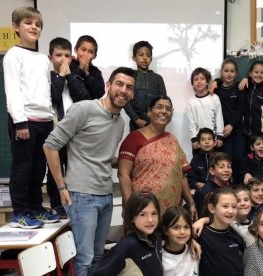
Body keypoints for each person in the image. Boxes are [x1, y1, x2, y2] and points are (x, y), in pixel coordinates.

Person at [44, 67, 136, 276]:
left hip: (106, 195)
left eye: (129, 87)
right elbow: (50, 145)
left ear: (133, 94)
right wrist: (61, 186)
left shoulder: (120, 122)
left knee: (97, 255)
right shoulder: (83, 109)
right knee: (84, 258)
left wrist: (130, 162)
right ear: (108, 86)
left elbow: (102, 157)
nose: (123, 90)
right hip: (81, 195)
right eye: (119, 84)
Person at [4, 7, 59, 229]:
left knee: (39, 169)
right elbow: (13, 91)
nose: (34, 27)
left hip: (44, 120)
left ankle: (36, 209)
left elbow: (45, 91)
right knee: (23, 168)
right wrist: (20, 122)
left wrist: (51, 119)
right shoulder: (13, 55)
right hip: (24, 120)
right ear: (16, 27)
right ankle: (20, 213)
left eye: (37, 24)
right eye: (28, 23)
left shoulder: (42, 59)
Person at [118, 96, 197, 219]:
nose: (164, 111)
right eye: (159, 107)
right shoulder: (134, 138)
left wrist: (191, 203)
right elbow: (123, 175)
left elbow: (182, 176)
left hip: (171, 215)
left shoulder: (173, 140)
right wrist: (130, 208)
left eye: (168, 109)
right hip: (141, 210)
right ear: (149, 111)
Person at [46, 37, 91, 218]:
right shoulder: (48, 78)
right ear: (51, 58)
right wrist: (61, 76)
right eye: (58, 55)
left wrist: (70, 76)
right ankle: (57, 205)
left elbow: (84, 98)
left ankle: (75, 202)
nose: (63, 59)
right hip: (56, 131)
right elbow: (54, 98)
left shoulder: (75, 77)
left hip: (77, 134)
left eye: (66, 55)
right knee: (55, 169)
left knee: (74, 167)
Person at [91, 192, 162, 276]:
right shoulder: (126, 246)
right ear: (132, 218)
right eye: (142, 214)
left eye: (154, 213)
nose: (150, 220)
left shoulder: (156, 238)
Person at [197, 187, 244, 276]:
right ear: (212, 208)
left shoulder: (236, 232)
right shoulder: (201, 234)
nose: (230, 211)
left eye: (234, 207)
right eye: (225, 206)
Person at [214, 58, 245, 183]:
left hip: (237, 128)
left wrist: (232, 125)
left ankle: (238, 183)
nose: (229, 74)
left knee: (238, 157)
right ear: (221, 72)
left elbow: (241, 109)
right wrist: (214, 82)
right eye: (226, 71)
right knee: (227, 158)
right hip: (223, 129)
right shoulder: (217, 89)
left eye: (232, 71)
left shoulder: (240, 87)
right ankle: (227, 183)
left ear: (236, 73)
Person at [124, 40, 167, 131]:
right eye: (141, 55)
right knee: (136, 145)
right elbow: (126, 101)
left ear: (151, 59)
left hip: (155, 125)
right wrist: (137, 120)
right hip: (135, 125)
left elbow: (163, 102)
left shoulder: (158, 79)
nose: (145, 58)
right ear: (134, 58)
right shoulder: (130, 78)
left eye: (148, 55)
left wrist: (157, 121)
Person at [187, 67, 224, 151]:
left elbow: (219, 117)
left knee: (215, 163)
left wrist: (220, 136)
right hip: (199, 141)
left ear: (207, 82)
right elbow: (191, 123)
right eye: (196, 79)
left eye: (202, 79)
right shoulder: (191, 102)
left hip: (214, 140)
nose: (199, 81)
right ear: (193, 84)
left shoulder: (214, 98)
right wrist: (194, 139)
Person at [240, 61, 263, 147]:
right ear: (250, 73)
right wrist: (217, 81)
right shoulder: (245, 86)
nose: (259, 75)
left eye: (262, 72)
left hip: (261, 133)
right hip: (245, 132)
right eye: (256, 72)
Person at [162, 206, 199, 276]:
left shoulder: (194, 251)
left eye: (186, 227)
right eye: (176, 227)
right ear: (166, 230)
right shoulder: (159, 256)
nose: (182, 232)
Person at [187, 128, 216, 193]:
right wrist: (196, 184)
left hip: (216, 191)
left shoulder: (219, 158)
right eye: (203, 140)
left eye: (209, 139)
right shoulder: (195, 159)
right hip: (200, 190)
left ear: (214, 143)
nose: (207, 142)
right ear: (199, 144)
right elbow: (190, 179)